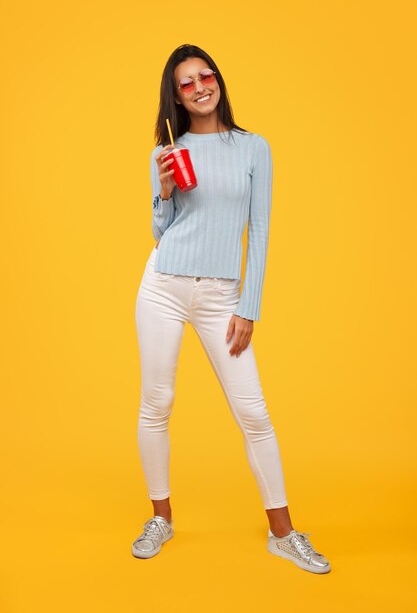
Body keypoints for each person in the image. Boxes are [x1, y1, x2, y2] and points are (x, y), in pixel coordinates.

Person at [131, 44, 331, 574]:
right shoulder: (166, 151)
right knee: (158, 402)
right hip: (163, 286)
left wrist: (250, 306)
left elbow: (259, 230)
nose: (200, 87)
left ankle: (283, 534)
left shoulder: (253, 148)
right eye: (186, 83)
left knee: (254, 413)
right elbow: (160, 231)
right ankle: (161, 517)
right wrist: (165, 191)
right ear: (175, 96)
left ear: (218, 81)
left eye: (206, 76)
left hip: (222, 295)